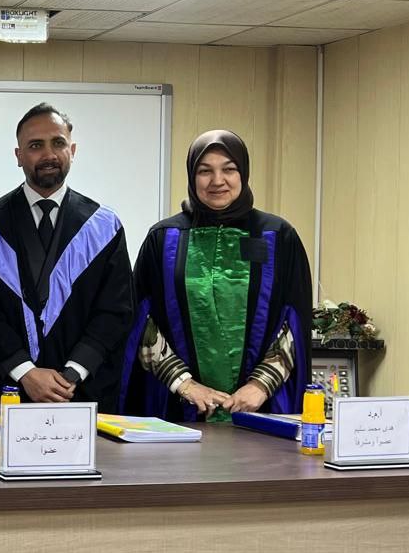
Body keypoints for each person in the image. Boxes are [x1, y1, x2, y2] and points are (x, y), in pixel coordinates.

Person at [120, 129, 311, 421]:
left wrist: (261, 384)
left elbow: (294, 320)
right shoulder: (165, 237)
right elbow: (141, 321)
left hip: (261, 409)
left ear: (243, 173)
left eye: (229, 169)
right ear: (191, 176)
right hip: (178, 408)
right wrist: (184, 383)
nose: (217, 180)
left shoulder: (277, 236)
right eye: (205, 171)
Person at [0, 103, 133, 411]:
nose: (49, 154)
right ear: (19, 156)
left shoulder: (104, 227)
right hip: (8, 391)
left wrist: (72, 373)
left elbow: (115, 311)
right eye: (35, 145)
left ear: (72, 150)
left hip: (80, 393)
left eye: (58, 143)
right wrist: (25, 372)